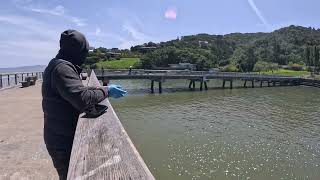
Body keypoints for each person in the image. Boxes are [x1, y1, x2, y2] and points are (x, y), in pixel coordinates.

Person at [42, 30, 127, 180]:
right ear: (78, 50)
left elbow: (75, 91)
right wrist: (107, 90)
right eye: (85, 51)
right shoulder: (62, 68)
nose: (86, 55)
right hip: (62, 141)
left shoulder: (60, 64)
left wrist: (98, 89)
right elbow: (82, 98)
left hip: (60, 133)